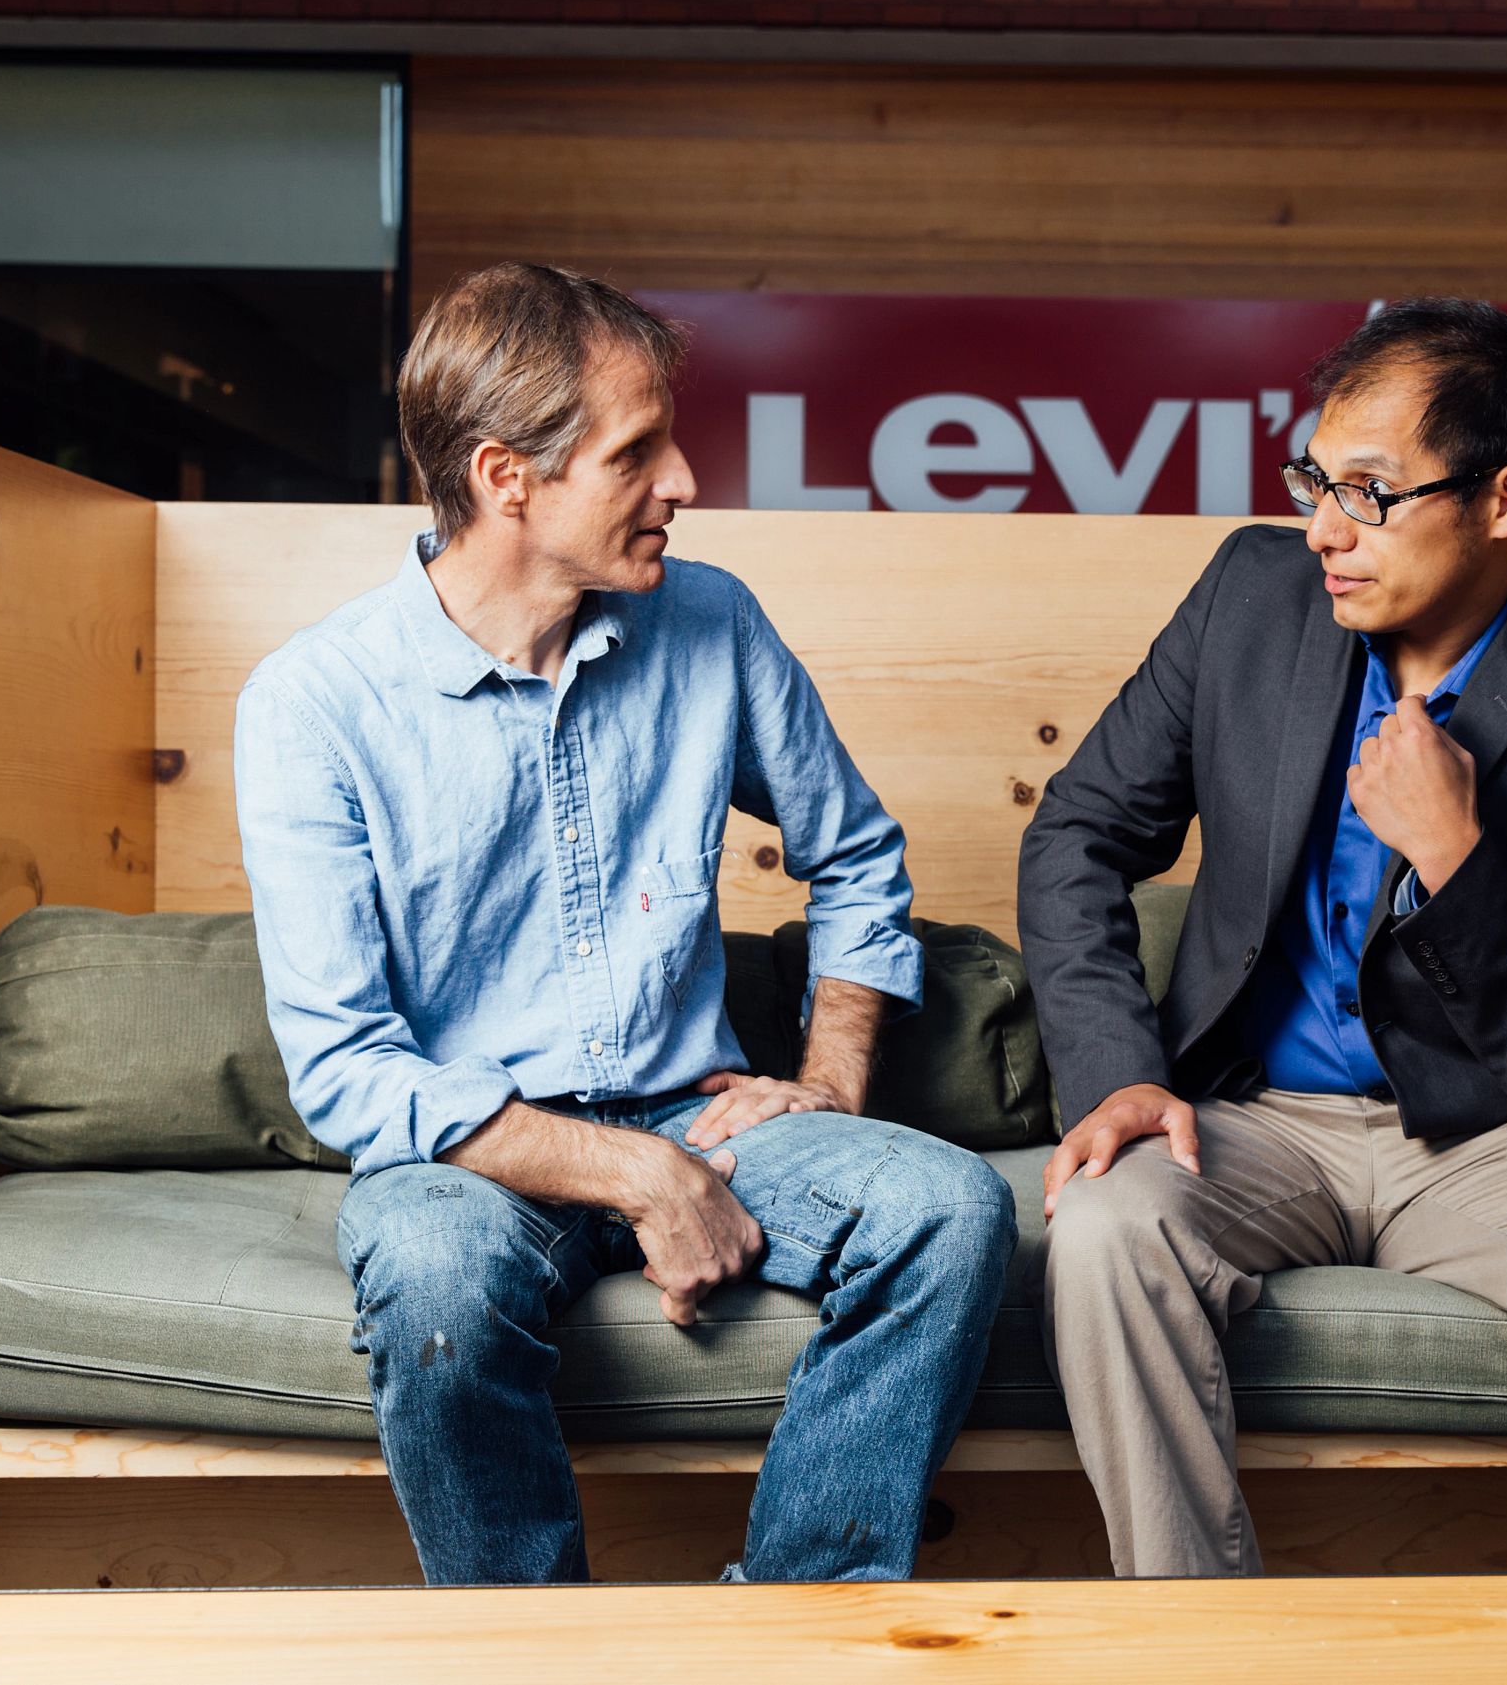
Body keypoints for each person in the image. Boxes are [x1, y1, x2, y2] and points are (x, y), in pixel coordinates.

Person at [233, 262, 1015, 1586]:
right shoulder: (314, 704)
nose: (687, 481)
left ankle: (792, 1628)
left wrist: (824, 1083)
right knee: (429, 1274)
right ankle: (535, 1661)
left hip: (692, 1105)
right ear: (507, 478)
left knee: (951, 1208)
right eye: (636, 450)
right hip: (471, 1149)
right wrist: (637, 1177)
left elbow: (860, 856)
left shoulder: (709, 621)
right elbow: (348, 1071)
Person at [1019, 297, 1507, 1576]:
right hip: (1247, 1118)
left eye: (1368, 492)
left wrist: (1455, 856)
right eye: (1316, 479)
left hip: (1491, 1142)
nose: (1324, 528)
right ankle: (1198, 1653)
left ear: (1505, 499)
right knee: (1099, 1232)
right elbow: (1077, 832)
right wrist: (1120, 1074)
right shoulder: (1250, 600)